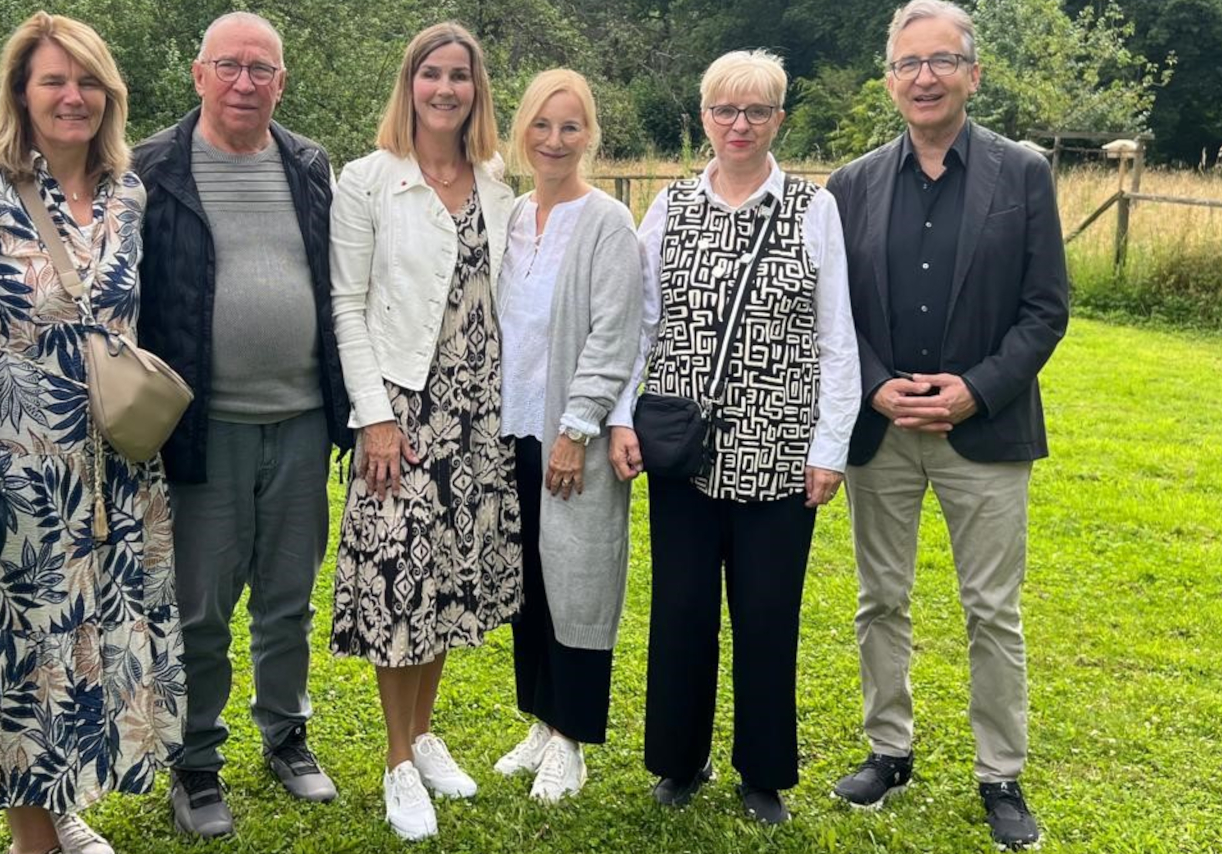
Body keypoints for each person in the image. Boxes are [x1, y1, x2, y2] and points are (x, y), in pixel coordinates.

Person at [0, 13, 181, 854]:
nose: (73, 96)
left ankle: (61, 801)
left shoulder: (128, 193)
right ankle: (31, 835)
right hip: (16, 465)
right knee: (19, 646)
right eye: (52, 81)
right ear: (21, 95)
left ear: (109, 92)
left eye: (87, 80)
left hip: (115, 467)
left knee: (91, 641)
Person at [822, 2, 1069, 848]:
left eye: (941, 61)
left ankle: (1001, 772)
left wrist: (974, 389)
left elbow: (1045, 311)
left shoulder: (1023, 172)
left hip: (985, 432)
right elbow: (829, 312)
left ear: (972, 72)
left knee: (991, 609)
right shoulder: (850, 185)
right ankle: (888, 750)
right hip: (881, 433)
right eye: (907, 63)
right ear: (889, 79)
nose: (923, 77)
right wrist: (879, 386)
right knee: (878, 599)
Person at [607, 48, 859, 826]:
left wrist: (830, 446)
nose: (739, 125)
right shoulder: (670, 207)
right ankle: (679, 762)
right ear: (705, 115)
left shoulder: (814, 210)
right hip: (682, 450)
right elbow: (637, 325)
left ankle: (763, 773)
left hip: (780, 452)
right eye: (725, 109)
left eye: (756, 111)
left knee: (766, 615)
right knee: (680, 612)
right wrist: (619, 415)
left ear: (780, 118)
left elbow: (835, 338)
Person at [130, 11, 352, 838]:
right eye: (230, 66)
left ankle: (287, 735)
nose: (245, 82)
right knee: (201, 606)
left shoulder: (308, 164)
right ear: (198, 74)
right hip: (204, 428)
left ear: (281, 83)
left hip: (299, 420)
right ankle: (195, 761)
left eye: (262, 69)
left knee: (288, 597)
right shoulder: (151, 167)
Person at [327, 21, 519, 842]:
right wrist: (374, 414)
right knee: (395, 586)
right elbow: (347, 303)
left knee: (445, 579)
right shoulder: (368, 182)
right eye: (432, 75)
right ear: (409, 85)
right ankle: (396, 760)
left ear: (477, 91)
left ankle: (426, 732)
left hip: (480, 417)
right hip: (403, 415)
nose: (446, 89)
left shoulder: (500, 183)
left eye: (461, 77)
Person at [488, 68, 642, 804]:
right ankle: (540, 724)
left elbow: (616, 333)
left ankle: (572, 739)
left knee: (578, 583)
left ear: (590, 137)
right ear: (523, 131)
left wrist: (578, 428)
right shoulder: (514, 216)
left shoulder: (606, 222)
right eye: (543, 126)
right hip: (511, 428)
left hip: (567, 435)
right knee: (529, 582)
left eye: (571, 126)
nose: (555, 140)